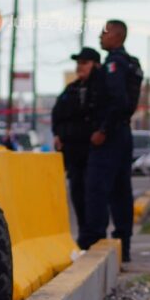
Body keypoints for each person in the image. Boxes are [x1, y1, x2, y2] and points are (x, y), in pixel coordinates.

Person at [80, 20, 144, 262]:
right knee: (120, 191)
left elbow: (117, 101)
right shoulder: (130, 63)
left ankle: (93, 242)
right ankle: (123, 244)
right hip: (122, 133)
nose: (100, 36)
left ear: (117, 36)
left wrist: (103, 130)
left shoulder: (115, 64)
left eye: (104, 33)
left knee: (97, 188)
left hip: (110, 134)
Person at [52, 47, 101, 235]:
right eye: (78, 63)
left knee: (93, 195)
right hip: (73, 152)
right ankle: (84, 233)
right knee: (77, 194)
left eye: (84, 63)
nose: (80, 67)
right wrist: (58, 134)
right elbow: (57, 114)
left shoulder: (100, 89)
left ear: (96, 65)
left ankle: (94, 234)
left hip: (94, 151)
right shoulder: (71, 89)